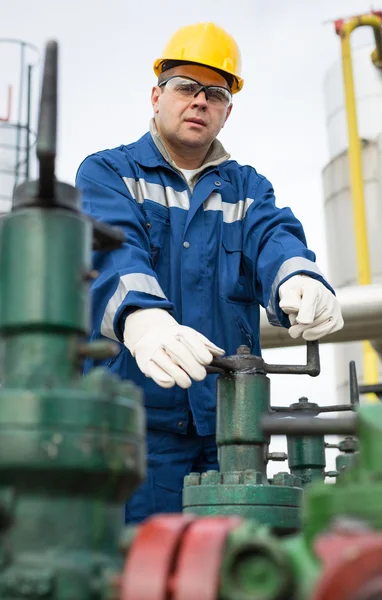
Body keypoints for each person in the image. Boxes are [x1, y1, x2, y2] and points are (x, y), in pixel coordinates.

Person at [76, 22, 344, 524]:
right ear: (156, 96)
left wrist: (298, 277)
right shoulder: (109, 173)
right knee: (141, 572)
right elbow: (111, 252)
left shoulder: (246, 188)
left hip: (231, 431)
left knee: (233, 569)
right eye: (185, 87)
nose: (199, 101)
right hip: (135, 430)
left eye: (214, 93)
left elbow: (274, 236)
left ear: (227, 111)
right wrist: (142, 319)